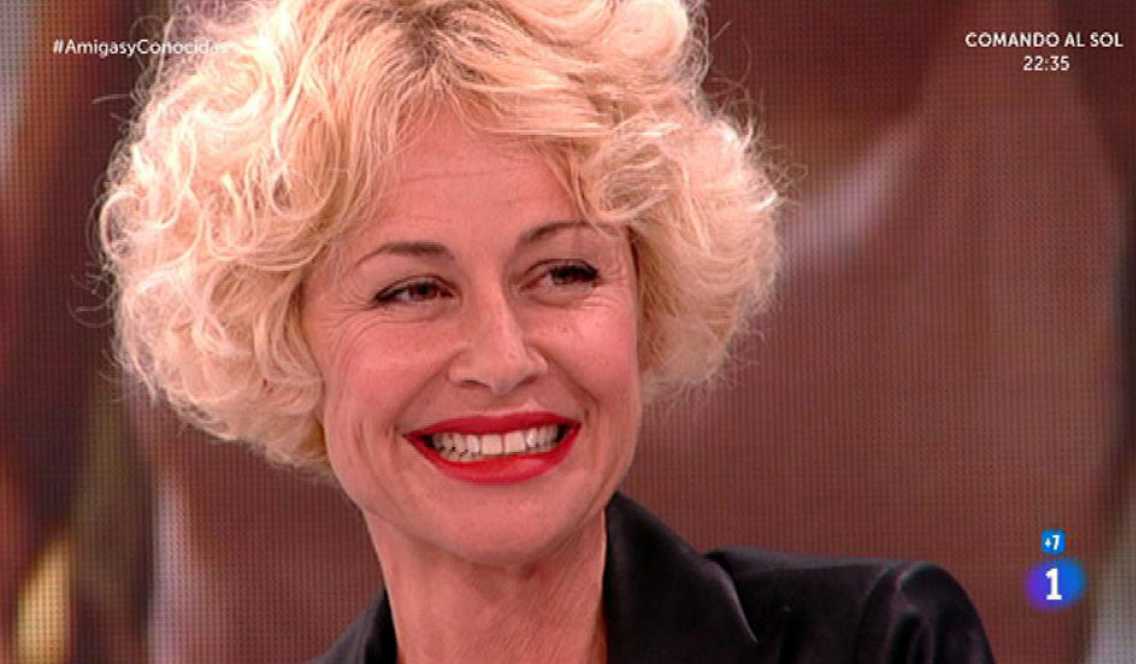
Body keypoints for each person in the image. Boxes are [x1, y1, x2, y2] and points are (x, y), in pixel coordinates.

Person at [98, 0, 995, 661]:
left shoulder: (885, 644)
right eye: (414, 290)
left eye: (564, 273)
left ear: (649, 293)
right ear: (284, 340)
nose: (501, 359)